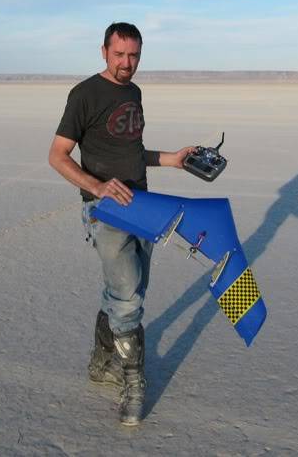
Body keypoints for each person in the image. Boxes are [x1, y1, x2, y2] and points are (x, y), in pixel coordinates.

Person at [48, 22, 194, 426]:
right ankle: (134, 382)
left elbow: (130, 151)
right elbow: (57, 155)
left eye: (134, 56)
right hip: (106, 211)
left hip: (142, 205)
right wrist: (97, 187)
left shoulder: (134, 92)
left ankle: (100, 363)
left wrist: (172, 159)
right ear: (103, 51)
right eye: (119, 55)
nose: (126, 63)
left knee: (125, 290)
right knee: (128, 298)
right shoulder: (84, 95)